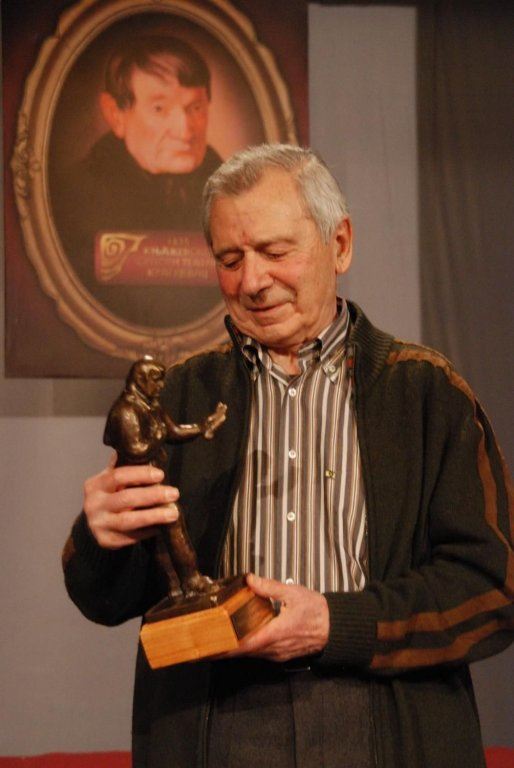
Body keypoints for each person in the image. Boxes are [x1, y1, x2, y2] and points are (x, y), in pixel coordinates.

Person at [62, 144, 513, 768]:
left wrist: (335, 623)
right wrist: (99, 538)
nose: (252, 281)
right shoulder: (181, 394)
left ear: (340, 244)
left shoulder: (426, 393)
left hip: (384, 724)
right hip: (216, 730)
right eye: (230, 259)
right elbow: (107, 599)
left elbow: (491, 588)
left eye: (275, 252)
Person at [51, 34, 223, 327]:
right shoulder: (75, 196)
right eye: (160, 109)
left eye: (195, 108)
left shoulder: (231, 193)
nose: (184, 131)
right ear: (115, 114)